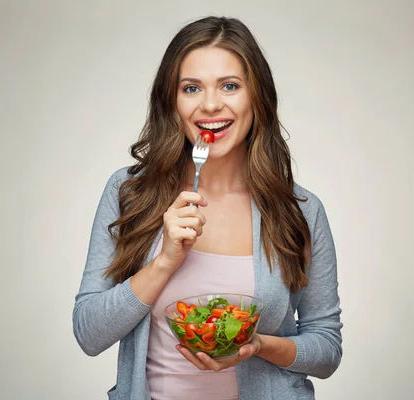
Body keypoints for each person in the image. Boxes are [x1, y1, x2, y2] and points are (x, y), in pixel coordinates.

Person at [73, 16, 342, 400]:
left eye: (230, 86)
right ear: (172, 101)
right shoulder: (129, 191)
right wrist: (164, 261)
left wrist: (258, 346)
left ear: (257, 97)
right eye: (191, 88)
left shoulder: (300, 210)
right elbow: (88, 334)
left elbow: (327, 349)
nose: (210, 104)